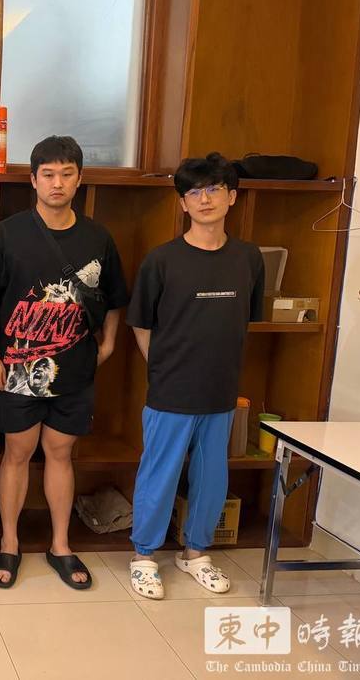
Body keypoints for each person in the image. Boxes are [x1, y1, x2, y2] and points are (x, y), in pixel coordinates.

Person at [0, 135, 127, 590]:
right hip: (17, 369)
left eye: (66, 174)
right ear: (34, 180)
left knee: (61, 453)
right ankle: (10, 542)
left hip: (76, 368)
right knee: (17, 453)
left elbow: (115, 297)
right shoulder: (5, 235)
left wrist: (109, 344)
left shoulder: (98, 237)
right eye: (48, 174)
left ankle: (60, 544)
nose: (57, 183)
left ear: (79, 179)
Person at [127, 152, 263, 599]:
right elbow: (141, 325)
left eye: (214, 189)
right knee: (160, 473)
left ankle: (196, 552)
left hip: (221, 389)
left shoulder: (248, 258)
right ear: (183, 203)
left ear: (232, 197)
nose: (204, 199)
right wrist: (164, 367)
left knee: (212, 476)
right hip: (171, 389)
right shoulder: (162, 260)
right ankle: (144, 556)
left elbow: (247, 319)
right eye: (194, 192)